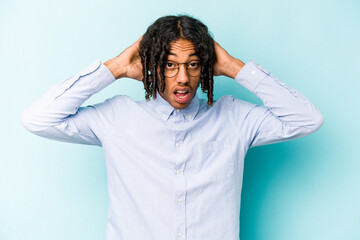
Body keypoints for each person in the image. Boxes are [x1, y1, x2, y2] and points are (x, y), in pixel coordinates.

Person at [21, 15, 323, 240]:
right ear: (152, 65)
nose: (182, 78)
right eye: (169, 64)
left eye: (193, 64)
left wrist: (234, 67)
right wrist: (114, 68)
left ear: (205, 66)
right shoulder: (117, 118)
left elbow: (307, 120)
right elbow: (38, 119)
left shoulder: (234, 117)